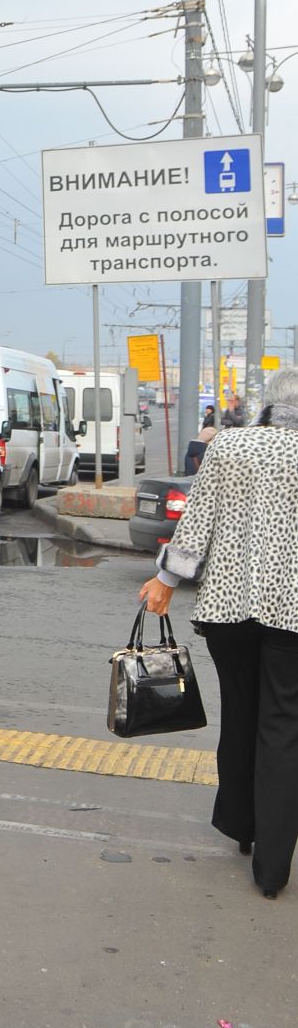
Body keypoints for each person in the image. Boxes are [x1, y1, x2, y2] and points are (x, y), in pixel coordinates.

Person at [139, 365, 298, 901]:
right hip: (292, 614)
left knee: (241, 713)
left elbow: (197, 521)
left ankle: (242, 826)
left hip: (227, 607)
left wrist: (165, 580)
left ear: (267, 403)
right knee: (283, 726)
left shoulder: (229, 446)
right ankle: (272, 869)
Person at [183, 402, 217, 475]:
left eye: (208, 409)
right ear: (210, 441)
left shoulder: (189, 452)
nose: (207, 410)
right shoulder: (208, 454)